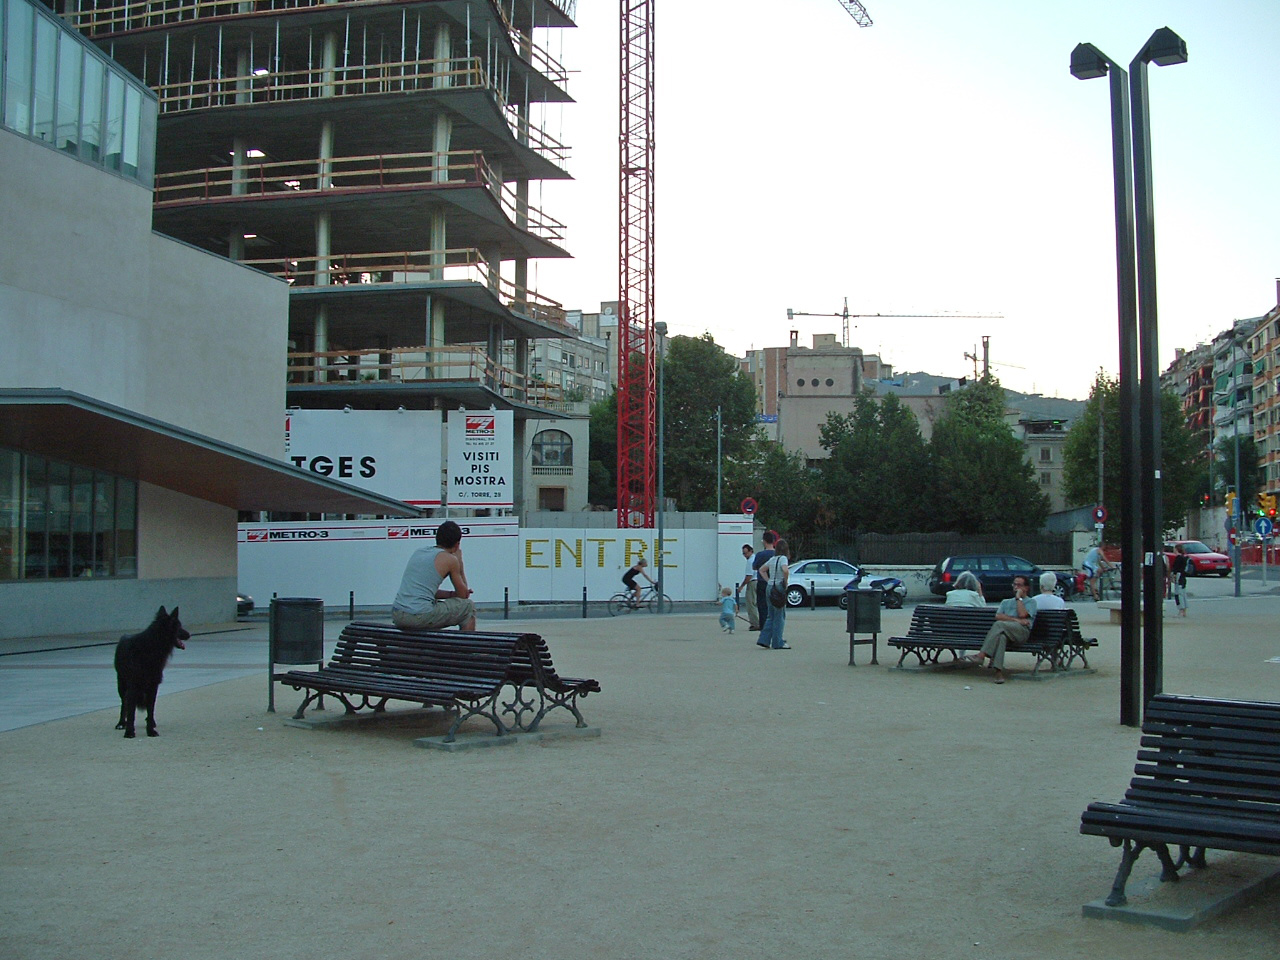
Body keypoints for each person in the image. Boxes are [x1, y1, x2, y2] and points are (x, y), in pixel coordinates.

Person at [391, 520, 476, 632]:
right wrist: (460, 561)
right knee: (468, 607)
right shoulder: (450, 560)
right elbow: (463, 596)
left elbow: (424, 590)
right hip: (417, 615)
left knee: (431, 605)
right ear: (457, 544)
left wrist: (451, 594)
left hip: (398, 613)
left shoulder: (419, 552)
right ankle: (466, 643)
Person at [965, 573, 1037, 683]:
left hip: (1021, 632)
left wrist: (1018, 598)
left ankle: (981, 655)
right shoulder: (1005, 602)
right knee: (1001, 637)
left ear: (1026, 588)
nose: (1016, 587)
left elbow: (1022, 614)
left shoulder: (1031, 602)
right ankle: (998, 672)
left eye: (1019, 585)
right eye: (1014, 584)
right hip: (1006, 630)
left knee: (999, 625)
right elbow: (998, 616)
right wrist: (1016, 620)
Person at [757, 537, 791, 650]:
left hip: (770, 586)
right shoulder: (783, 559)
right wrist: (785, 582)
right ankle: (777, 642)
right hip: (779, 587)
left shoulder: (773, 559)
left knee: (770, 615)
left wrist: (768, 580)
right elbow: (785, 570)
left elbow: (761, 569)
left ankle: (764, 639)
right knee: (779, 616)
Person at [752, 530, 778, 630]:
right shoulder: (777, 555)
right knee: (774, 605)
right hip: (775, 582)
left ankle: (764, 626)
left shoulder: (760, 554)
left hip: (762, 582)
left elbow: (754, 567)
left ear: (764, 541)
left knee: (762, 605)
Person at [738, 543, 761, 631]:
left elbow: (749, 576)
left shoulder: (750, 561)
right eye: (743, 553)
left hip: (752, 582)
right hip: (758, 581)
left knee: (751, 604)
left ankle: (755, 623)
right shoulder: (756, 558)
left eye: (746, 553)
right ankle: (758, 622)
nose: (745, 555)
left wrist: (741, 586)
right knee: (756, 602)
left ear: (751, 551)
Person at [1170, 543, 1189, 617]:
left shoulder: (1178, 558)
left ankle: (1181, 610)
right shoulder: (1184, 558)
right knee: (1183, 594)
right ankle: (1184, 611)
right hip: (1183, 577)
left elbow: (1175, 568)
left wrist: (1173, 576)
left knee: (1178, 594)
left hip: (1178, 577)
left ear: (1177, 549)